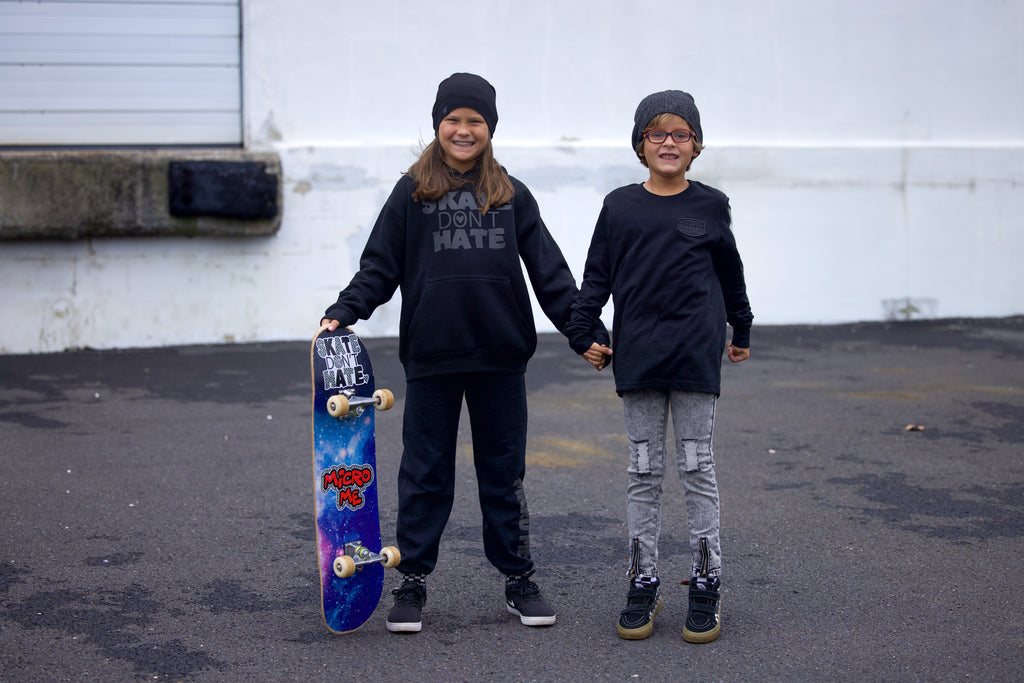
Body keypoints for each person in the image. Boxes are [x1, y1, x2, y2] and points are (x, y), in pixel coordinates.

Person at [321, 72, 607, 634]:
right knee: (425, 474)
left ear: (490, 129)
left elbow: (550, 273)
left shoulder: (511, 194)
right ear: (438, 125)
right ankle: (412, 580)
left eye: (475, 121)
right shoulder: (411, 193)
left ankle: (518, 578)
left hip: (500, 357)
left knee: (504, 475)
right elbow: (379, 265)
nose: (463, 130)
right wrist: (345, 310)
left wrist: (584, 333)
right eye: (453, 119)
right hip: (433, 358)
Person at [566, 90, 753, 643]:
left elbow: (731, 273)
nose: (668, 142)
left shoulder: (712, 205)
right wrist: (583, 332)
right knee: (643, 471)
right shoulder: (619, 206)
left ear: (696, 145)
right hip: (639, 357)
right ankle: (642, 580)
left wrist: (741, 329)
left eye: (680, 134)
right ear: (640, 144)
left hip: (695, 356)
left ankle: (707, 580)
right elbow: (596, 277)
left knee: (697, 468)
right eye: (656, 133)